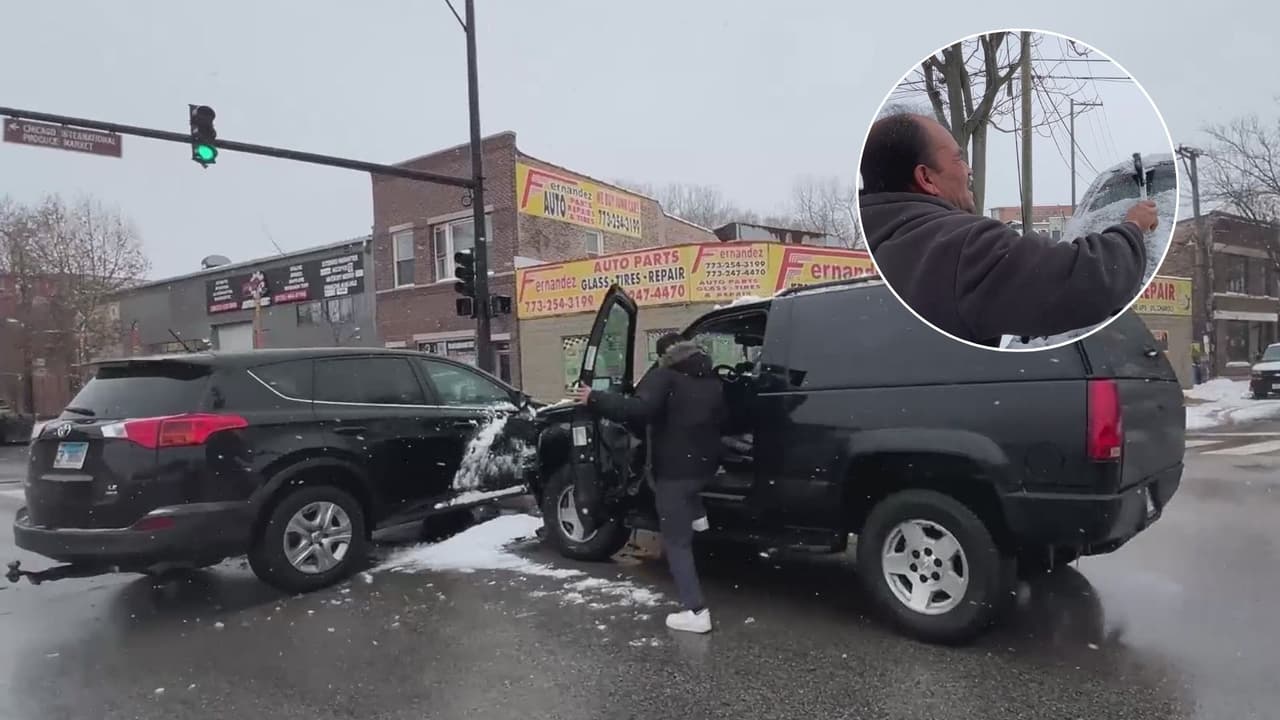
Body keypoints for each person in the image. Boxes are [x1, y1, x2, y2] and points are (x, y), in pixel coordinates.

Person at [858, 112, 1160, 347]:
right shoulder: (961, 246)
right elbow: (1091, 277)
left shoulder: (872, 236)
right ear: (926, 178)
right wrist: (1133, 226)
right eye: (959, 158)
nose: (969, 169)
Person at [573, 333, 725, 633]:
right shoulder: (712, 381)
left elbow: (638, 411)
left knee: (676, 543)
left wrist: (594, 398)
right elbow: (723, 419)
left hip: (675, 472)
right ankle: (699, 519)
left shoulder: (664, 377)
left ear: (663, 355)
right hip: (704, 467)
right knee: (690, 500)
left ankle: (696, 612)